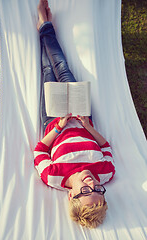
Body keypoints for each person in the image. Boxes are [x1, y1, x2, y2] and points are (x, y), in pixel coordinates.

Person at [34, 0, 115, 228]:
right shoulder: (105, 173)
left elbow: (39, 149)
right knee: (62, 66)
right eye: (98, 190)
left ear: (71, 195)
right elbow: (106, 146)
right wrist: (87, 127)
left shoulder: (53, 176)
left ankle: (45, 28)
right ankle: (45, 26)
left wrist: (60, 126)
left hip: (54, 118)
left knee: (48, 70)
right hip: (81, 113)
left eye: (86, 190)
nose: (92, 183)